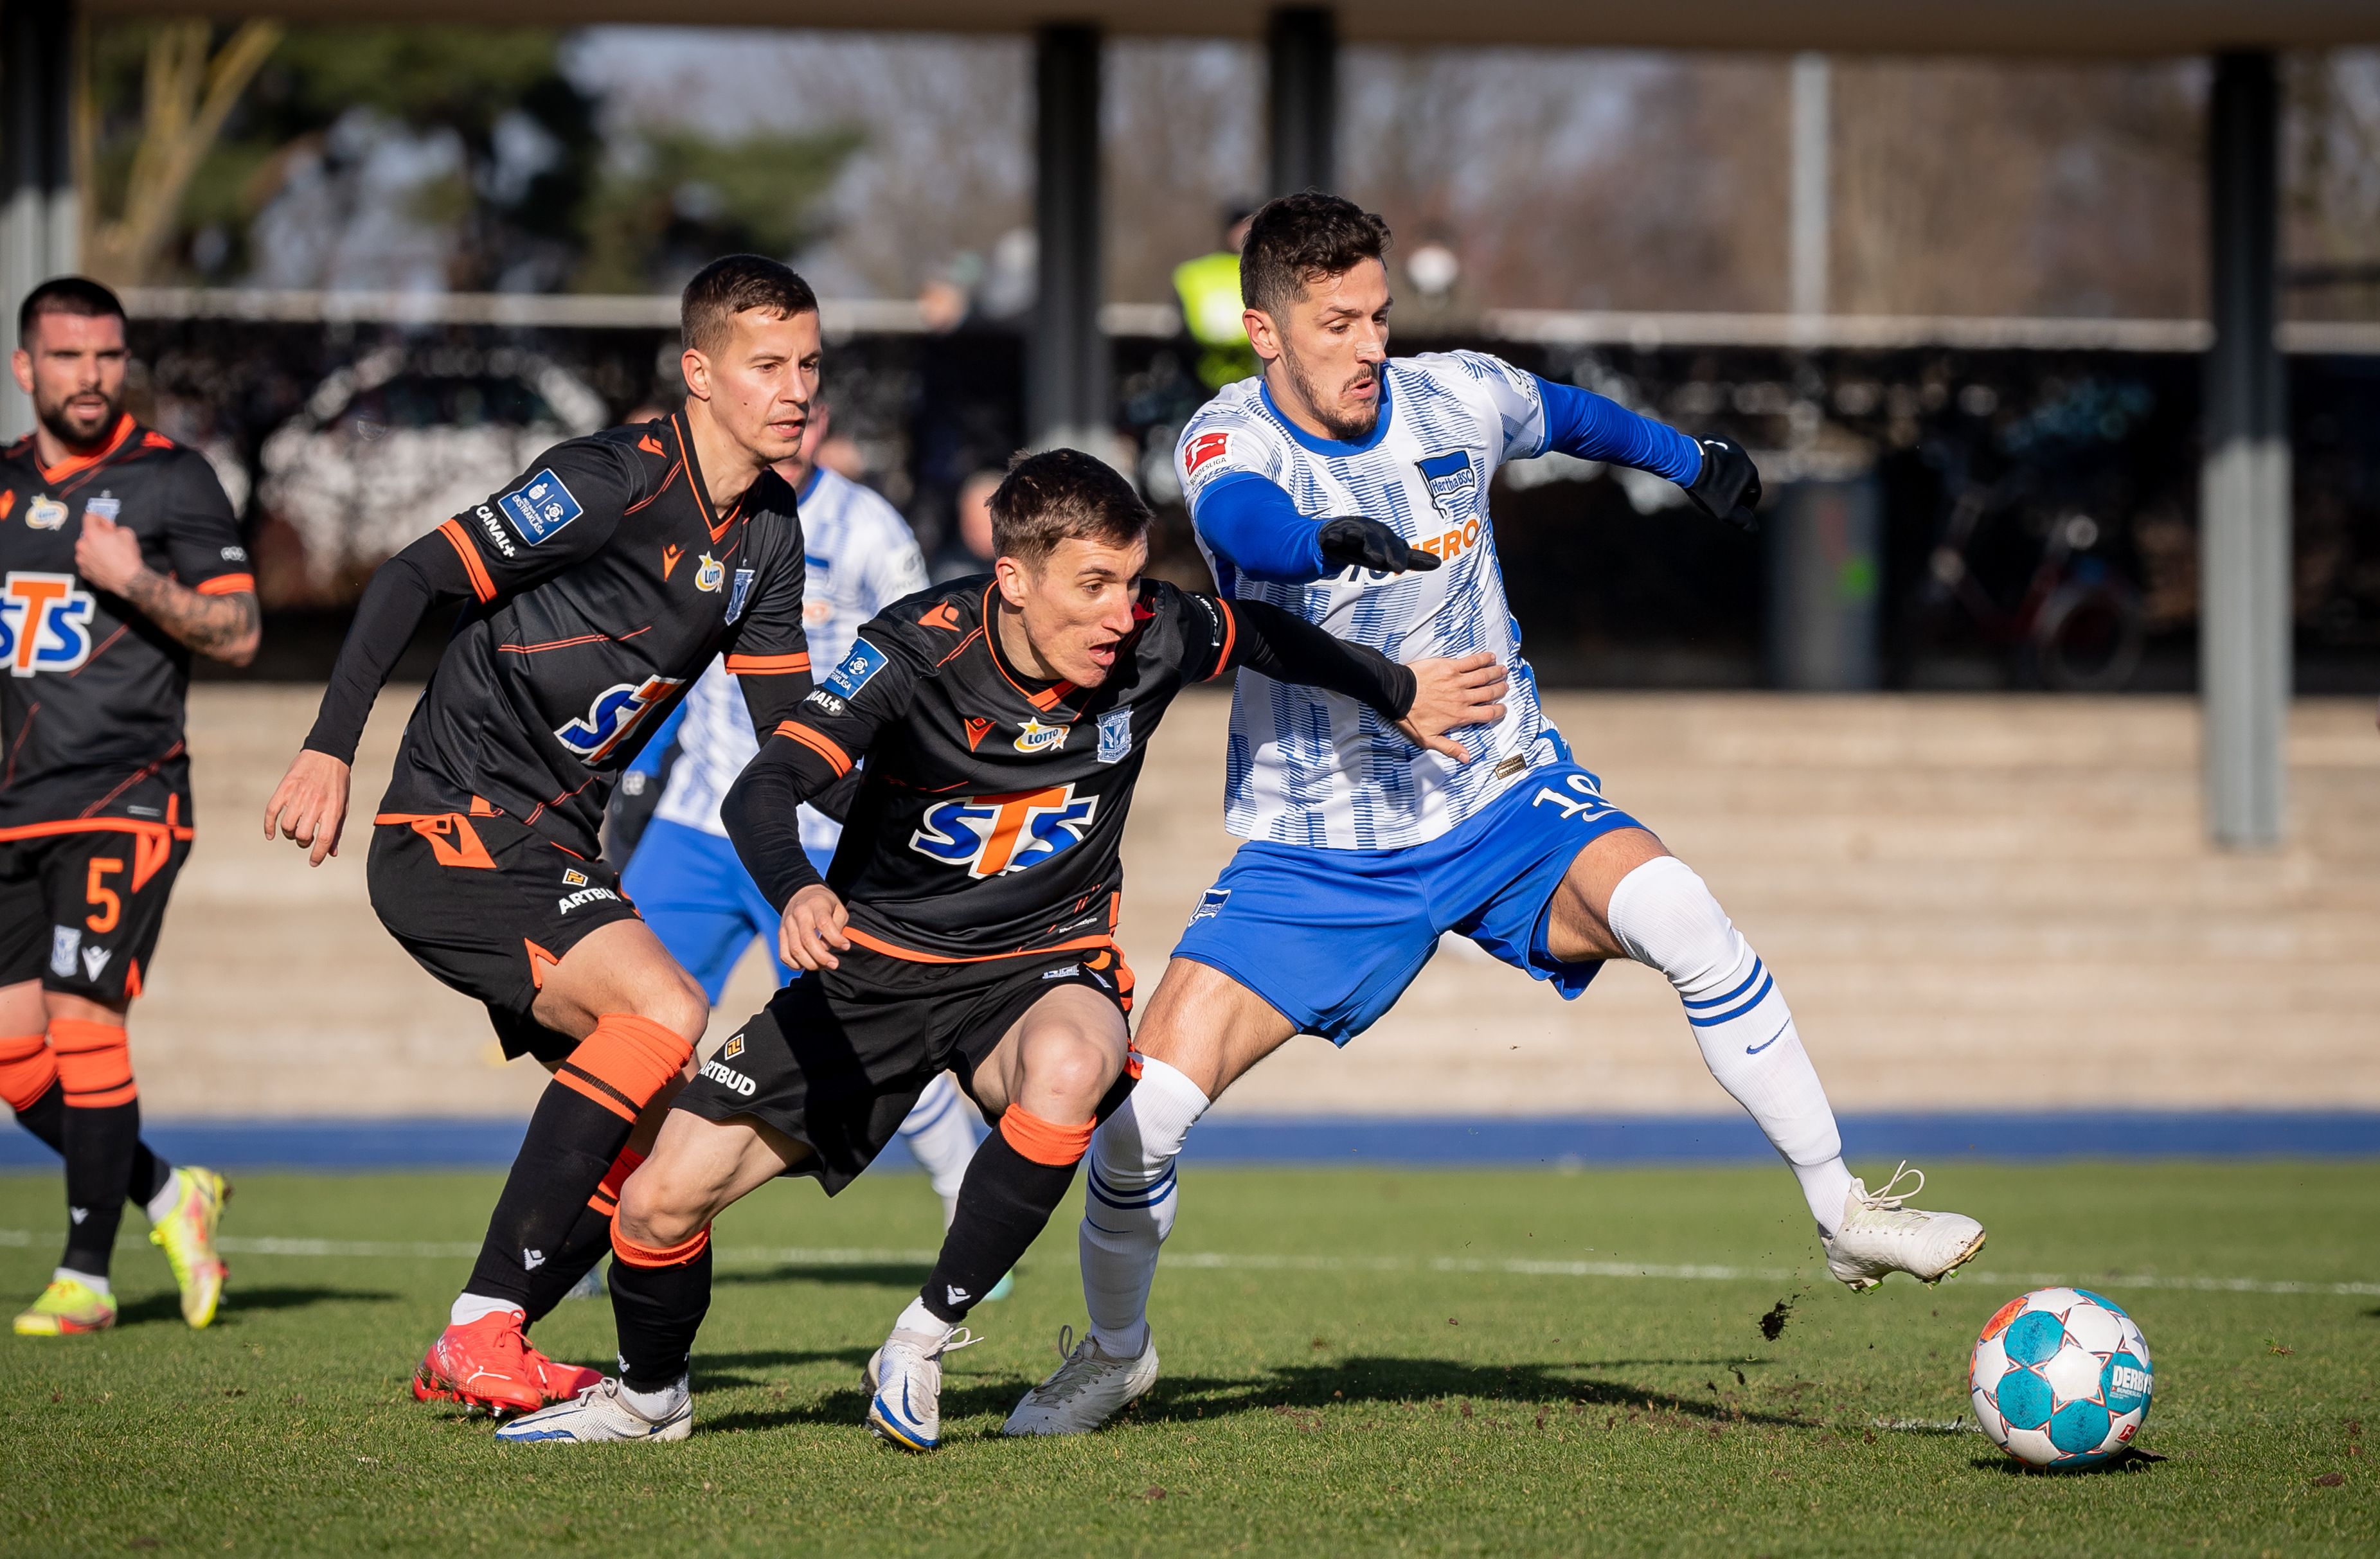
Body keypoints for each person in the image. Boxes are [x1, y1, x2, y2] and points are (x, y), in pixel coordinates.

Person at [1008, 192, 1989, 1435]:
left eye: (1376, 317)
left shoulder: (1453, 396)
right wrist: (1318, 541)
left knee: (1677, 906)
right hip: (1322, 849)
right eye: (1334, 324)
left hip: (1500, 795)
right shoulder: (1225, 437)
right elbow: (1238, 521)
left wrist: (1689, 461)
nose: (1367, 345)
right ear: (1264, 333)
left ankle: (1841, 1209)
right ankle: (1114, 1356)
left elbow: (1566, 413)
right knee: (1139, 1121)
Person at [490, 449, 1505, 1449]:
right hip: (875, 970)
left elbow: (1264, 634)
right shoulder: (913, 649)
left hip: (1040, 962)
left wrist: (1393, 686)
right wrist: (797, 887)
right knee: (660, 1202)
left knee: (1071, 1065)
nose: (1121, 613)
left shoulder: (1153, 632)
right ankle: (649, 1399)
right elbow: (764, 785)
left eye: (1131, 581)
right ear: (1013, 579)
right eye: (1093, 585)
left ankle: (920, 1337)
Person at [262, 255, 822, 1416]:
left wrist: (911, 793)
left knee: (674, 1150)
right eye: (767, 364)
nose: (795, 389)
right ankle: (485, 1324)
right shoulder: (607, 479)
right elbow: (411, 578)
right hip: (452, 823)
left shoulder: (770, 531)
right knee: (665, 1007)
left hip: (557, 847)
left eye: (809, 365)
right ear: (699, 372)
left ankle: (479, 1340)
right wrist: (329, 746)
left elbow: (791, 742)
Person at [616, 396, 998, 1283]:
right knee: (625, 1027)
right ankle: (611, 1211)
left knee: (867, 1042)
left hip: (824, 834)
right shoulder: (691, 507)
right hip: (698, 821)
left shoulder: (868, 528)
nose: (791, 421)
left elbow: (928, 669)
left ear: (824, 423)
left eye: (808, 405)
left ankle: (965, 1195)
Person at [0, 277, 248, 1337]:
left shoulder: (171, 478)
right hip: (14, 805)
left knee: (85, 1020)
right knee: (17, 1060)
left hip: (126, 792)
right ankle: (169, 1192)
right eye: (68, 356)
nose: (91, 376)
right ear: (27, 368)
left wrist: (135, 578)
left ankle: (86, 1279)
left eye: (107, 355)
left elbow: (239, 631)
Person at [1173, 204, 1259, 391]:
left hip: (1255, 376)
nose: (1245, 234)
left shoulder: (1272, 272)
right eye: (1242, 226)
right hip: (1203, 377)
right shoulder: (1198, 274)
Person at [927, 469, 1000, 584]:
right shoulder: (948, 572)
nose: (980, 534)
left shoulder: (1025, 566)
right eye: (973, 525)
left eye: (988, 525)